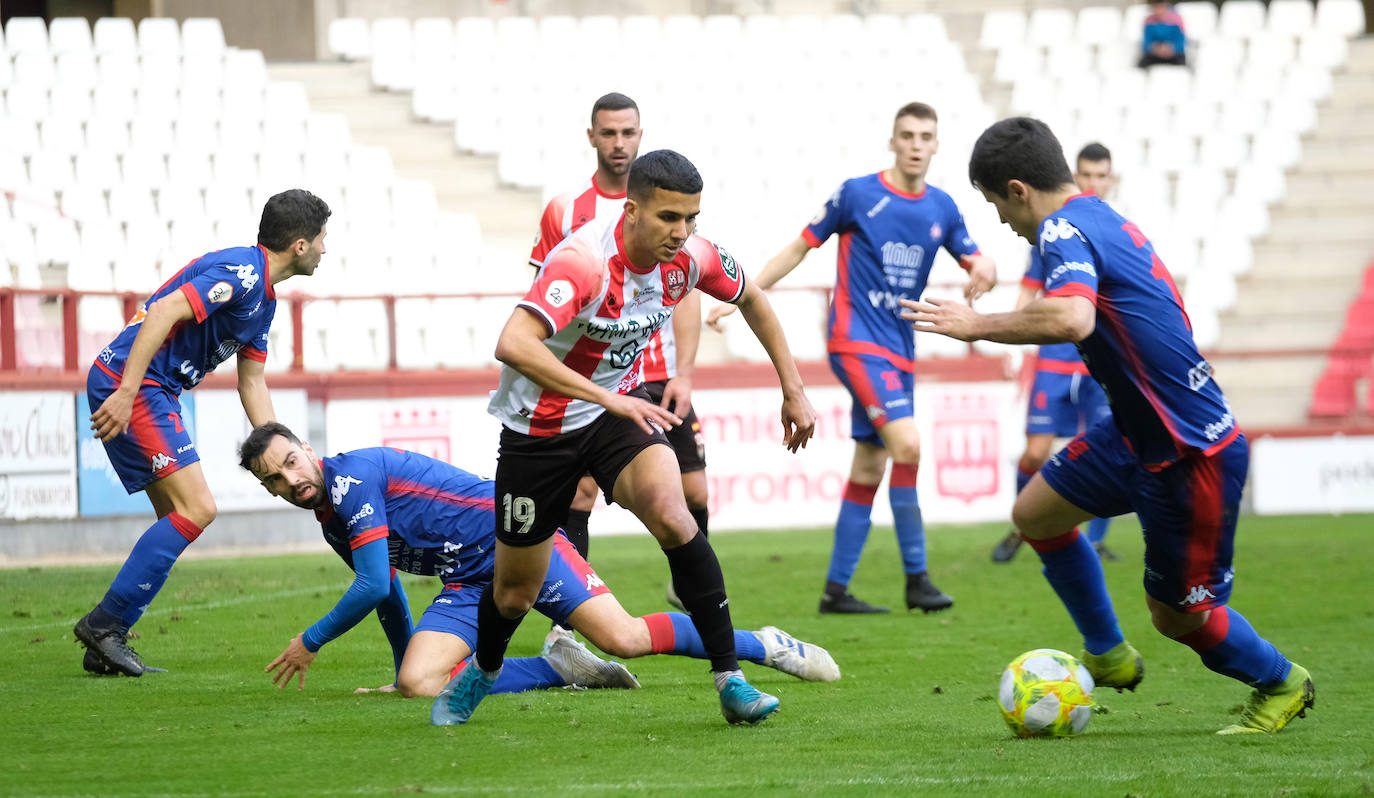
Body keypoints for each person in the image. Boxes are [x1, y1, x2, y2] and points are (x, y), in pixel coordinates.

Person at [902, 117, 1314, 735]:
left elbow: (1072, 320)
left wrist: (977, 324)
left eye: (995, 205)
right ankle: (1109, 654)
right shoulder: (1104, 217)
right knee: (1036, 514)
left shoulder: (1063, 229)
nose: (1002, 222)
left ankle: (1282, 680)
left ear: (1019, 190)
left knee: (1176, 616)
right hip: (1138, 433)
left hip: (1189, 451)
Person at [441, 149, 818, 727]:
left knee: (674, 513)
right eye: (669, 217)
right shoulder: (583, 261)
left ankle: (730, 679)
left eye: (691, 217)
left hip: (613, 414)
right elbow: (513, 342)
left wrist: (793, 388)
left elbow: (754, 300)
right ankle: (484, 670)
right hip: (537, 432)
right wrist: (605, 395)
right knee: (516, 591)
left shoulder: (692, 257)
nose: (682, 232)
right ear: (632, 209)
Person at [237, 423, 839, 702]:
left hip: (519, 546)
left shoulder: (351, 481)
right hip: (469, 580)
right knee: (421, 685)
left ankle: (762, 645)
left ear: (309, 451)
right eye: (276, 479)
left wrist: (310, 641)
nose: (291, 479)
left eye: (292, 462)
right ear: (269, 491)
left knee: (625, 637)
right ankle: (562, 670)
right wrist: (400, 671)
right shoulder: (330, 520)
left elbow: (370, 585)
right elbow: (387, 588)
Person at [708, 102, 996, 615]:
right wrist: (742, 293)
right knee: (907, 447)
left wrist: (986, 267)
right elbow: (800, 247)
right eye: (906, 134)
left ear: (935, 145)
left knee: (870, 464)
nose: (914, 144)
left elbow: (976, 258)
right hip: (856, 340)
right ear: (892, 141)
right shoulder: (858, 193)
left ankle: (835, 591)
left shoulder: (944, 208)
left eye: (924, 136)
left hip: (899, 349)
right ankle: (918, 579)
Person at [74, 189, 331, 678]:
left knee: (177, 516)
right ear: (300, 245)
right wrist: (127, 391)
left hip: (154, 388)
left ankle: (106, 638)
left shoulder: (264, 300)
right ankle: (104, 624)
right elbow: (166, 311)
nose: (326, 248)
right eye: (322, 238)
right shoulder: (243, 275)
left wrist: (286, 452)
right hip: (138, 382)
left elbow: (251, 382)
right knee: (199, 509)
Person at [529, 93, 709, 612]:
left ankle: (690, 591)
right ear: (592, 137)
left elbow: (688, 290)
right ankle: (572, 620)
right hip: (601, 381)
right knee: (580, 495)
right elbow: (544, 296)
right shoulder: (567, 212)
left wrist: (685, 373)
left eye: (628, 133)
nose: (618, 143)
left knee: (693, 494)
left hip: (660, 373)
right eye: (608, 133)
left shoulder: (670, 208)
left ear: (640, 136)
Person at [992, 142, 1118, 564]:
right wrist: (1013, 338)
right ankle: (1021, 526)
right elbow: (1029, 290)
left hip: (1102, 360)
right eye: (1086, 175)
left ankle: (1096, 540)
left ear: (1111, 180)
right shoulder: (1052, 232)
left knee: (1109, 447)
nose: (1093, 183)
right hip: (1055, 356)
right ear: (1074, 177)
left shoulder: (1116, 231)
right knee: (1035, 451)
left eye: (1101, 176)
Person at [1140, 1, 1187, 68]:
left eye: (1161, 7)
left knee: (1181, 63)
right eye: (1156, 8)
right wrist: (1155, 48)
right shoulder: (1149, 22)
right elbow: (1146, 43)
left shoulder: (1176, 21)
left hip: (1173, 55)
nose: (1159, 11)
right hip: (1155, 55)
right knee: (1142, 64)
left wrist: (1171, 49)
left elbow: (1181, 42)